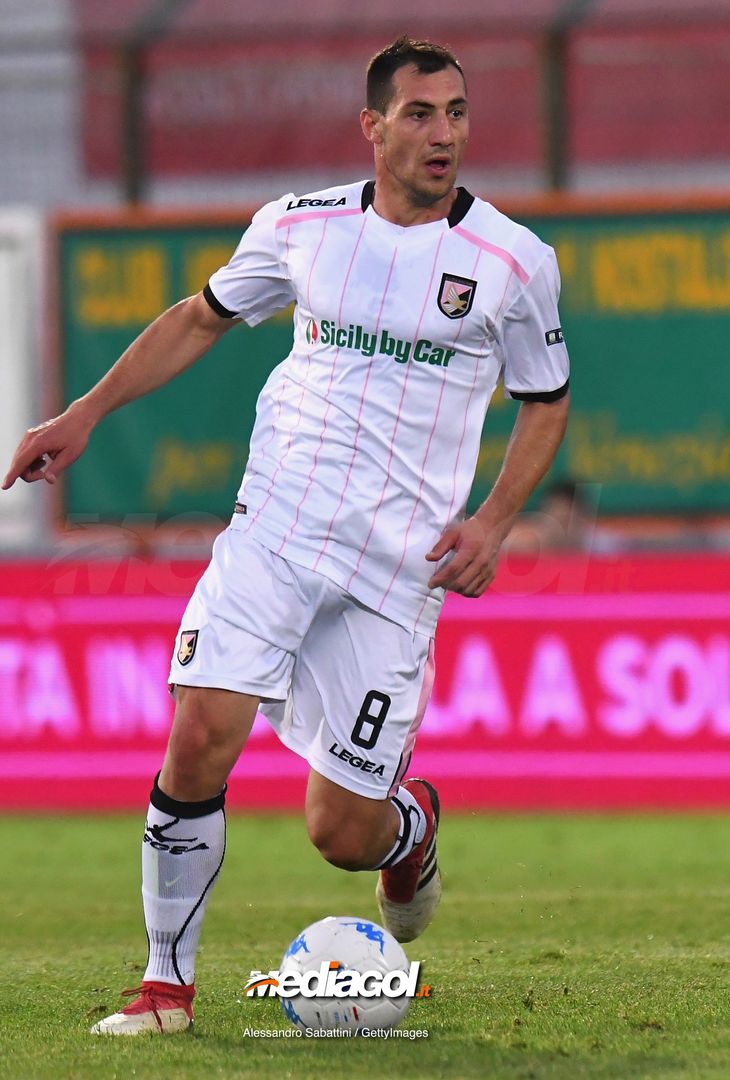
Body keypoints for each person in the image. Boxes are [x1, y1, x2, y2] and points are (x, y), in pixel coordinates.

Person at [2, 36, 570, 1036]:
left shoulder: (514, 263)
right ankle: (164, 989)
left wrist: (492, 520)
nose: (444, 135)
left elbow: (545, 402)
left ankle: (408, 830)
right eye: (421, 115)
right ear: (373, 127)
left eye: (457, 114)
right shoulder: (299, 227)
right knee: (196, 737)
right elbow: (197, 318)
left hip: (398, 569)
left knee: (339, 832)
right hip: (276, 531)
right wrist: (82, 415)